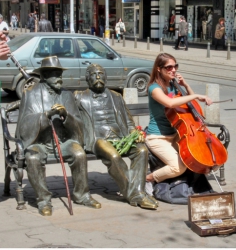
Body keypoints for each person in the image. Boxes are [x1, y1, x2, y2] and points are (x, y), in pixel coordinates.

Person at [15, 56, 101, 216]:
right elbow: (23, 125)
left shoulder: (67, 95)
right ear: (44, 76)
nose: (59, 78)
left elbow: (79, 124)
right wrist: (45, 116)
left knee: (79, 153)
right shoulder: (30, 94)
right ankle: (43, 200)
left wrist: (66, 115)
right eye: (55, 74)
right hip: (39, 141)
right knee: (33, 159)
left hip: (62, 140)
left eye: (60, 74)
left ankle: (82, 195)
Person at [74, 64, 158, 210]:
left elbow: (128, 119)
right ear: (87, 78)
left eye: (101, 74)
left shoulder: (116, 96)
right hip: (98, 139)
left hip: (120, 137)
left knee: (142, 150)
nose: (98, 77)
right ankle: (135, 195)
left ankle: (138, 191)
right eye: (94, 74)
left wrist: (133, 133)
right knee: (113, 155)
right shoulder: (79, 97)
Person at [145, 53, 213, 189]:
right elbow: (170, 103)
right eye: (169, 67)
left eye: (175, 66)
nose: (173, 70)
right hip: (157, 137)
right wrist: (195, 95)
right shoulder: (154, 88)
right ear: (159, 69)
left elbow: (192, 104)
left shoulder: (173, 85)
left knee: (196, 156)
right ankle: (147, 179)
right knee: (178, 167)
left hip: (175, 135)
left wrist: (185, 85)